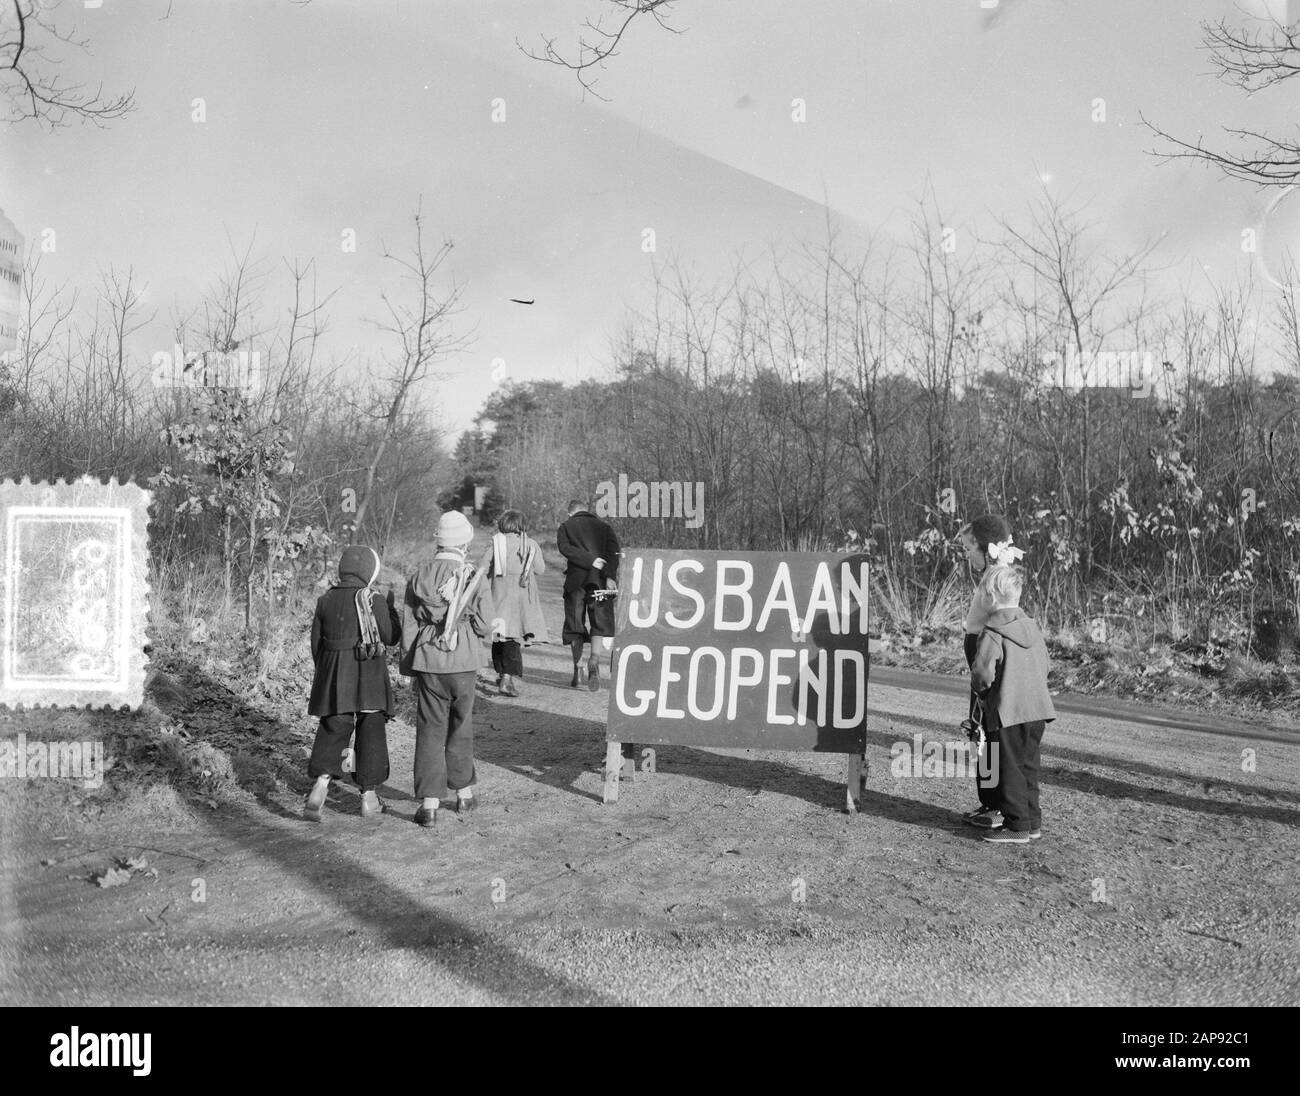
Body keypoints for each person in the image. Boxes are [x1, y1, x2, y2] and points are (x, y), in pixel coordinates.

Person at [400, 510, 493, 827]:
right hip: (464, 660)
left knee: (430, 729)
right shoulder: (473, 576)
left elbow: (408, 626)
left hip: (429, 659)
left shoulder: (419, 575)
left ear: (438, 541)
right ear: (464, 543)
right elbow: (484, 625)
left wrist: (410, 667)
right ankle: (464, 794)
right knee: (461, 725)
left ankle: (429, 805)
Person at [304, 545, 402, 822]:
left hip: (335, 674)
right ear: (370, 571)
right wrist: (391, 609)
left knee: (334, 726)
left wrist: (327, 671)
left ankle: (321, 785)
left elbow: (316, 644)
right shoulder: (373, 598)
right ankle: (368, 798)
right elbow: (391, 636)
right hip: (369, 673)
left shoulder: (326, 600)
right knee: (370, 730)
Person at [969, 566, 1056, 843]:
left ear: (991, 597)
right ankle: (1032, 821)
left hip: (1009, 711)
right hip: (1037, 711)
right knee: (1028, 765)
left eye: (982, 592)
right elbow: (1046, 665)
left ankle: (1016, 824)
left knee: (1008, 767)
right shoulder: (1032, 628)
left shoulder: (993, 631)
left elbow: (982, 673)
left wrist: (981, 694)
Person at [957, 513, 1022, 827]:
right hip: (981, 657)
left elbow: (998, 625)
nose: (968, 554)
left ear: (988, 548)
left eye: (971, 547)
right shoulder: (991, 575)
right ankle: (990, 801)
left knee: (985, 729)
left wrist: (982, 655)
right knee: (980, 729)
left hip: (988, 660)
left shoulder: (996, 579)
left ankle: (994, 803)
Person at [482, 509, 549, 697]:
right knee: (513, 638)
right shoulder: (530, 544)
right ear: (521, 525)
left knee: (499, 636)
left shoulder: (496, 544)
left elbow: (483, 567)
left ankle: (502, 673)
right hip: (520, 598)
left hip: (498, 595)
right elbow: (541, 569)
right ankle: (507, 678)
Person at [557, 497, 620, 690]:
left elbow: (565, 549)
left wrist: (588, 559)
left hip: (576, 581)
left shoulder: (566, 526)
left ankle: (578, 668)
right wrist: (609, 576)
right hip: (600, 581)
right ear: (587, 510)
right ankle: (594, 660)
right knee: (599, 623)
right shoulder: (604, 527)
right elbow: (613, 554)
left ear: (570, 512)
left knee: (575, 624)